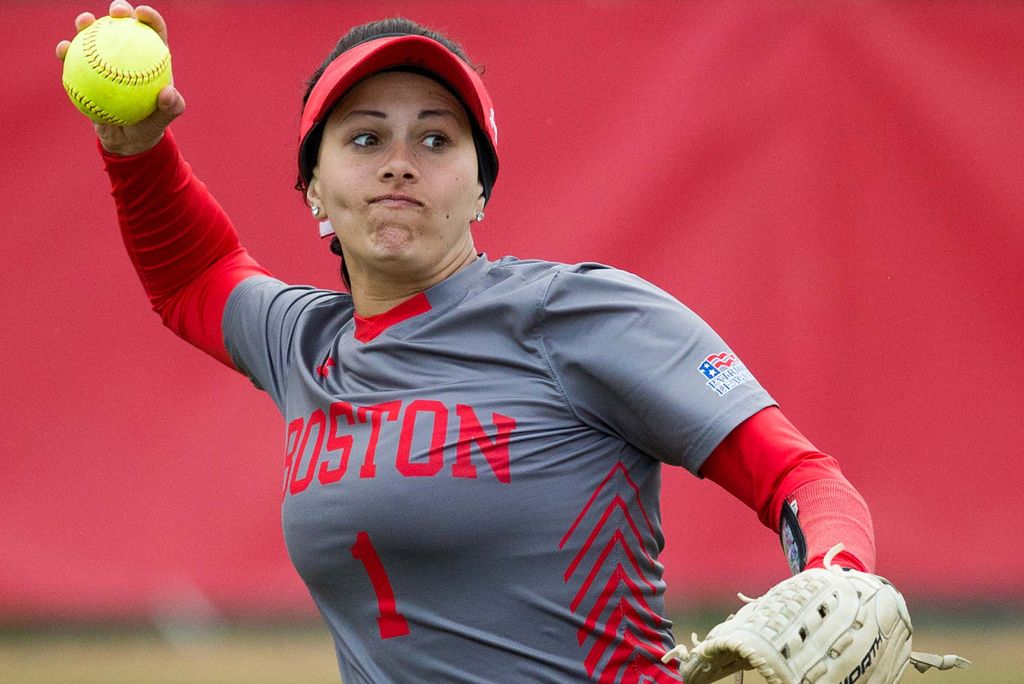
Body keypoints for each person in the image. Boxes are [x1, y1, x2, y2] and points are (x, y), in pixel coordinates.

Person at [59, 3, 876, 682]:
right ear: (315, 186)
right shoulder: (302, 344)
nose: (401, 164)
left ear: (481, 185)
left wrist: (838, 572)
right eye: (366, 137)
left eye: (438, 140)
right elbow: (192, 276)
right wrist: (135, 150)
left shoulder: (574, 314)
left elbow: (800, 476)